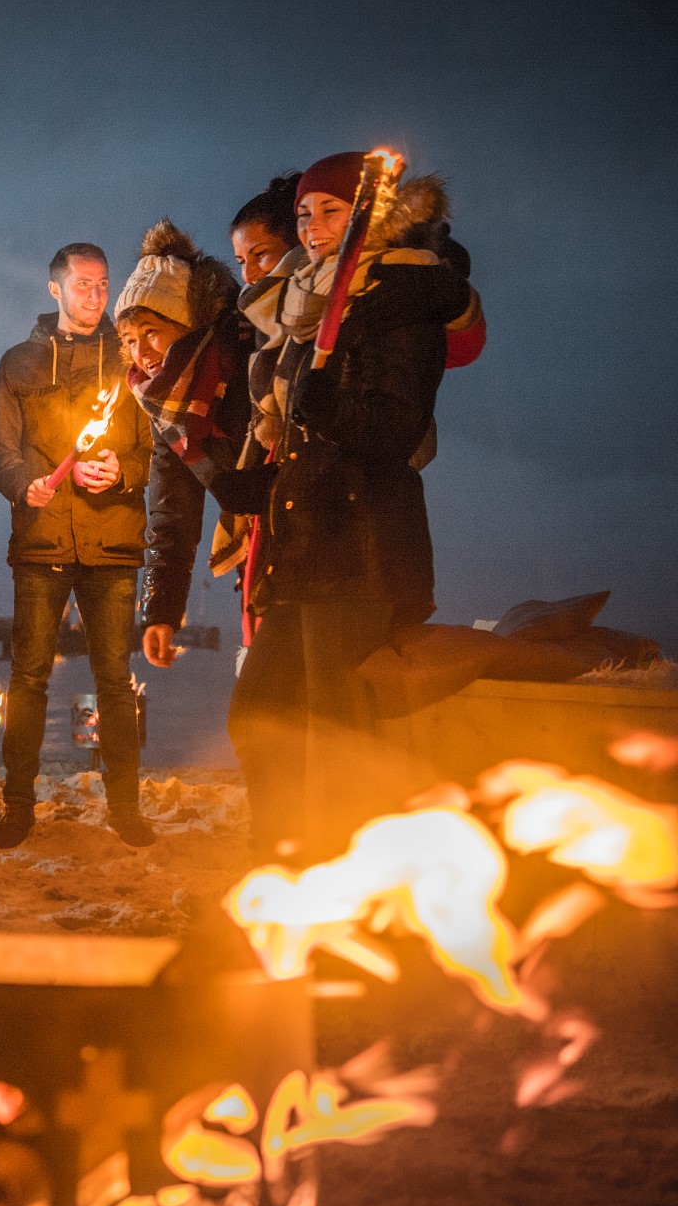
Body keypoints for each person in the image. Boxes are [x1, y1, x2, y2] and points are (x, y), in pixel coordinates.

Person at [221, 151, 479, 860]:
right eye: (304, 214)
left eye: (330, 211)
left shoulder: (400, 302)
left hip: (360, 547)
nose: (311, 227)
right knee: (261, 715)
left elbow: (394, 432)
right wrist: (256, 487)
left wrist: (329, 409)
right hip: (305, 549)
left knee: (336, 735)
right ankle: (282, 858)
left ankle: (344, 877)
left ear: (371, 214)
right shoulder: (308, 305)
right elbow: (301, 433)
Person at [0, 244, 154, 849]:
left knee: (115, 678)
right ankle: (19, 806)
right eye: (82, 285)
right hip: (43, 539)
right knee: (29, 677)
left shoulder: (130, 362)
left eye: (103, 285)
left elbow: (150, 448)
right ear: (54, 289)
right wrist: (24, 482)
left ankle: (125, 807)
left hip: (112, 541)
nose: (95, 296)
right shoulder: (19, 362)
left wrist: (123, 471)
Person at [114, 222, 254, 674]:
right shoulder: (166, 408)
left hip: (304, 546)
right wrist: (161, 612)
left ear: (189, 323)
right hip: (258, 567)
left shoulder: (246, 367)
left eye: (152, 332)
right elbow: (172, 510)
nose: (141, 353)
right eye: (129, 341)